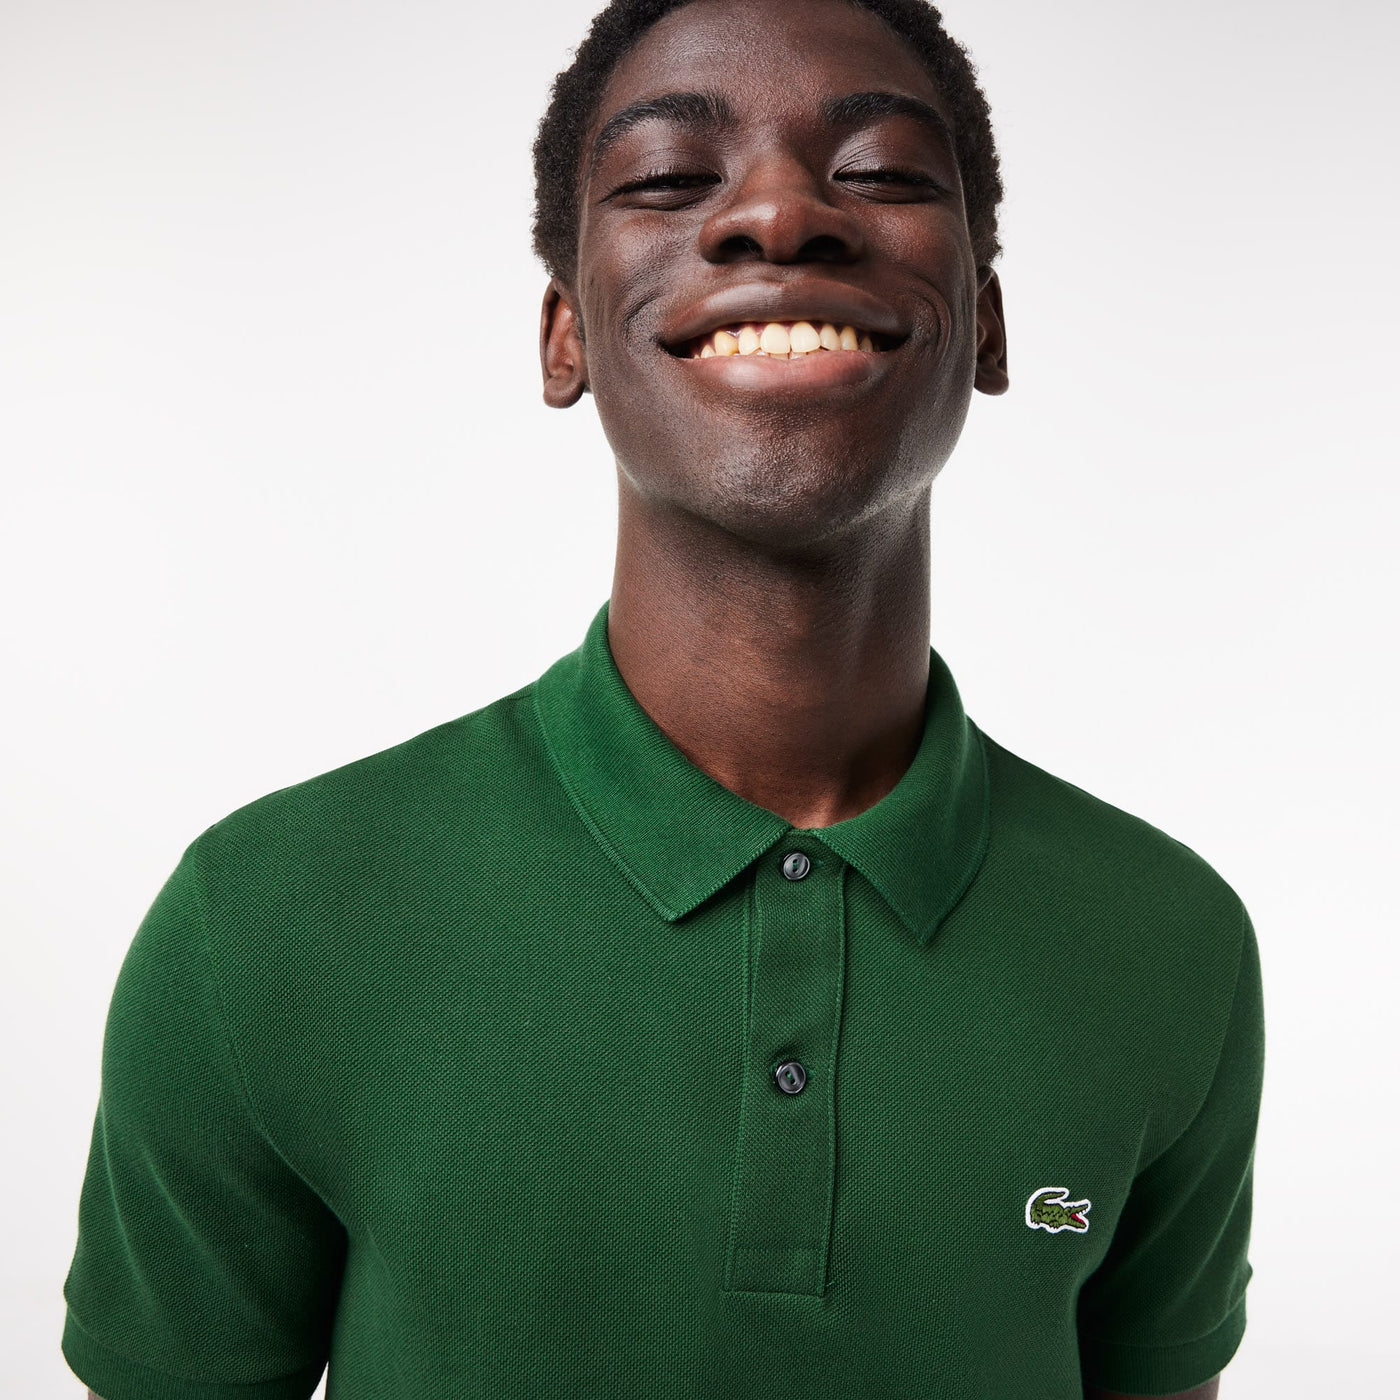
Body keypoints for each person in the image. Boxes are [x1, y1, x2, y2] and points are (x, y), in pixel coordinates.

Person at [61, 1, 1264, 1397]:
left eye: (878, 171)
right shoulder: (263, 920)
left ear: (984, 324)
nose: (778, 213)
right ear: (565, 335)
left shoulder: (1170, 943)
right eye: (668, 177)